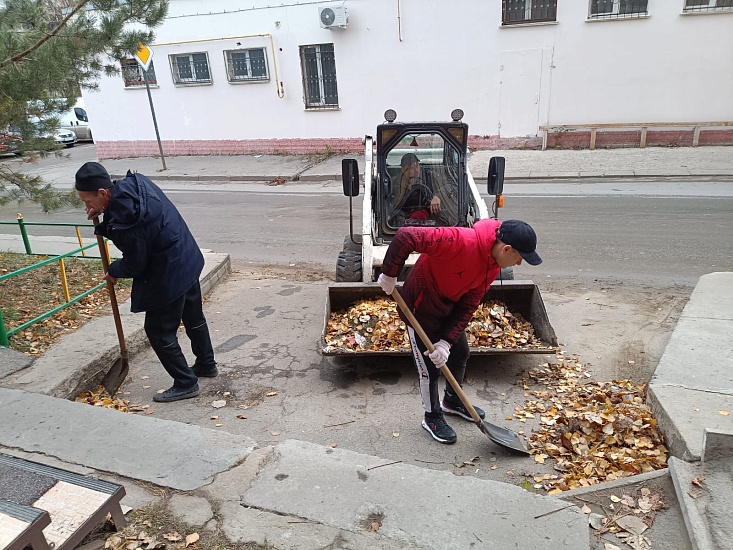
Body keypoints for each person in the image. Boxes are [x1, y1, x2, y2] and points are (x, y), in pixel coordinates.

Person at [377, 218, 542, 444]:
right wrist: (389, 273)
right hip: (419, 308)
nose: (519, 264)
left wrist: (446, 341)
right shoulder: (460, 240)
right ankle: (432, 416)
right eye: (519, 258)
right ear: (507, 249)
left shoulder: (492, 266)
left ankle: (452, 401)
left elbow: (469, 304)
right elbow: (406, 236)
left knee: (460, 352)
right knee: (429, 369)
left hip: (447, 307)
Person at [75, 162, 218, 403]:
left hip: (168, 272)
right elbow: (139, 230)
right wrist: (104, 215)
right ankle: (206, 364)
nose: (86, 206)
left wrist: (113, 271)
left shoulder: (128, 214)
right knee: (193, 318)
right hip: (187, 258)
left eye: (87, 201)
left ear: (102, 193)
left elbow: (135, 262)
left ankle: (186, 382)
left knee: (159, 332)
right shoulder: (135, 186)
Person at [390, 153, 442, 224]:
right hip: (404, 219)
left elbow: (445, 185)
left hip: (428, 216)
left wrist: (437, 196)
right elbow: (389, 202)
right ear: (404, 170)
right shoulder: (395, 183)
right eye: (412, 167)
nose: (416, 170)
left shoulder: (429, 176)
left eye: (417, 166)